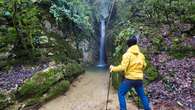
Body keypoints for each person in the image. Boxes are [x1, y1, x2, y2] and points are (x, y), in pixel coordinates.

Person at [109, 36, 151, 110]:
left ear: (128, 46)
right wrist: (138, 71)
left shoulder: (127, 55)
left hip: (130, 79)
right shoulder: (141, 55)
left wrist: (113, 68)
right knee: (142, 96)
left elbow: (123, 67)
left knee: (121, 93)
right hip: (139, 79)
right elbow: (144, 66)